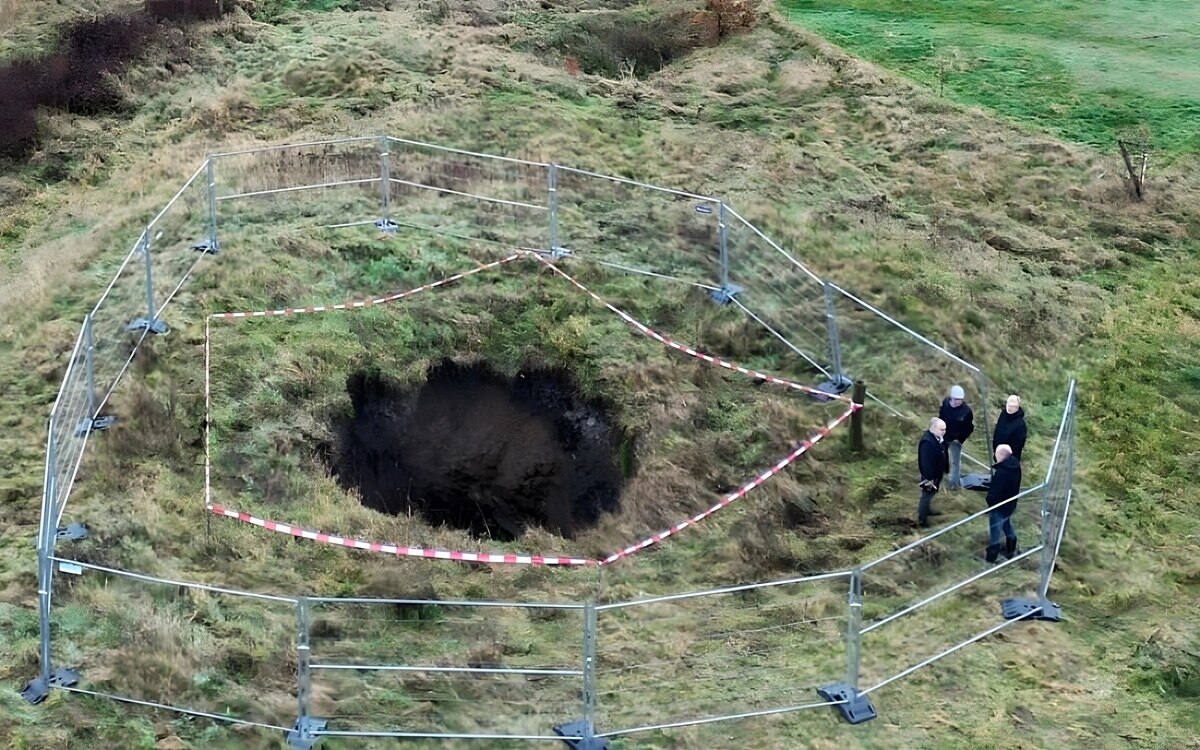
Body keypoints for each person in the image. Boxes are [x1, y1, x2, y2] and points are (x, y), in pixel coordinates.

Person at [984, 444, 1022, 562]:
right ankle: (1011, 546)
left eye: (996, 453)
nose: (994, 454)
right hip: (1010, 504)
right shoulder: (1015, 467)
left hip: (999, 506)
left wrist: (990, 501)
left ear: (1001, 455)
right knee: (1006, 524)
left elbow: (995, 491)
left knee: (995, 529)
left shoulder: (1002, 472)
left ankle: (992, 556)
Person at [938, 384, 974, 489]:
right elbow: (940, 416)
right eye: (956, 399)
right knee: (942, 456)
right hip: (943, 436)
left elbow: (969, 428)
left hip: (956, 440)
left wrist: (960, 439)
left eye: (961, 399)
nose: (959, 401)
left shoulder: (966, 412)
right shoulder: (945, 403)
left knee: (955, 462)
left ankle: (954, 484)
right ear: (951, 397)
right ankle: (943, 474)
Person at [916, 417, 948, 528]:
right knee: (926, 495)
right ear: (933, 428)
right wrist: (929, 479)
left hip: (936, 474)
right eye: (941, 429)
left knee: (931, 494)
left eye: (945, 429)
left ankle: (927, 510)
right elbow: (926, 462)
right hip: (930, 476)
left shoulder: (938, 437)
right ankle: (922, 519)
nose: (944, 432)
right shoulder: (927, 442)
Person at [993, 394, 1028, 460]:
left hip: (1009, 459)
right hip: (997, 454)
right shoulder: (1003, 414)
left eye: (1012, 406)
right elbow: (997, 430)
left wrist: (1006, 457)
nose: (1009, 408)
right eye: (1008, 405)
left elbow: (1018, 446)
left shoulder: (1021, 424)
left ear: (1017, 407)